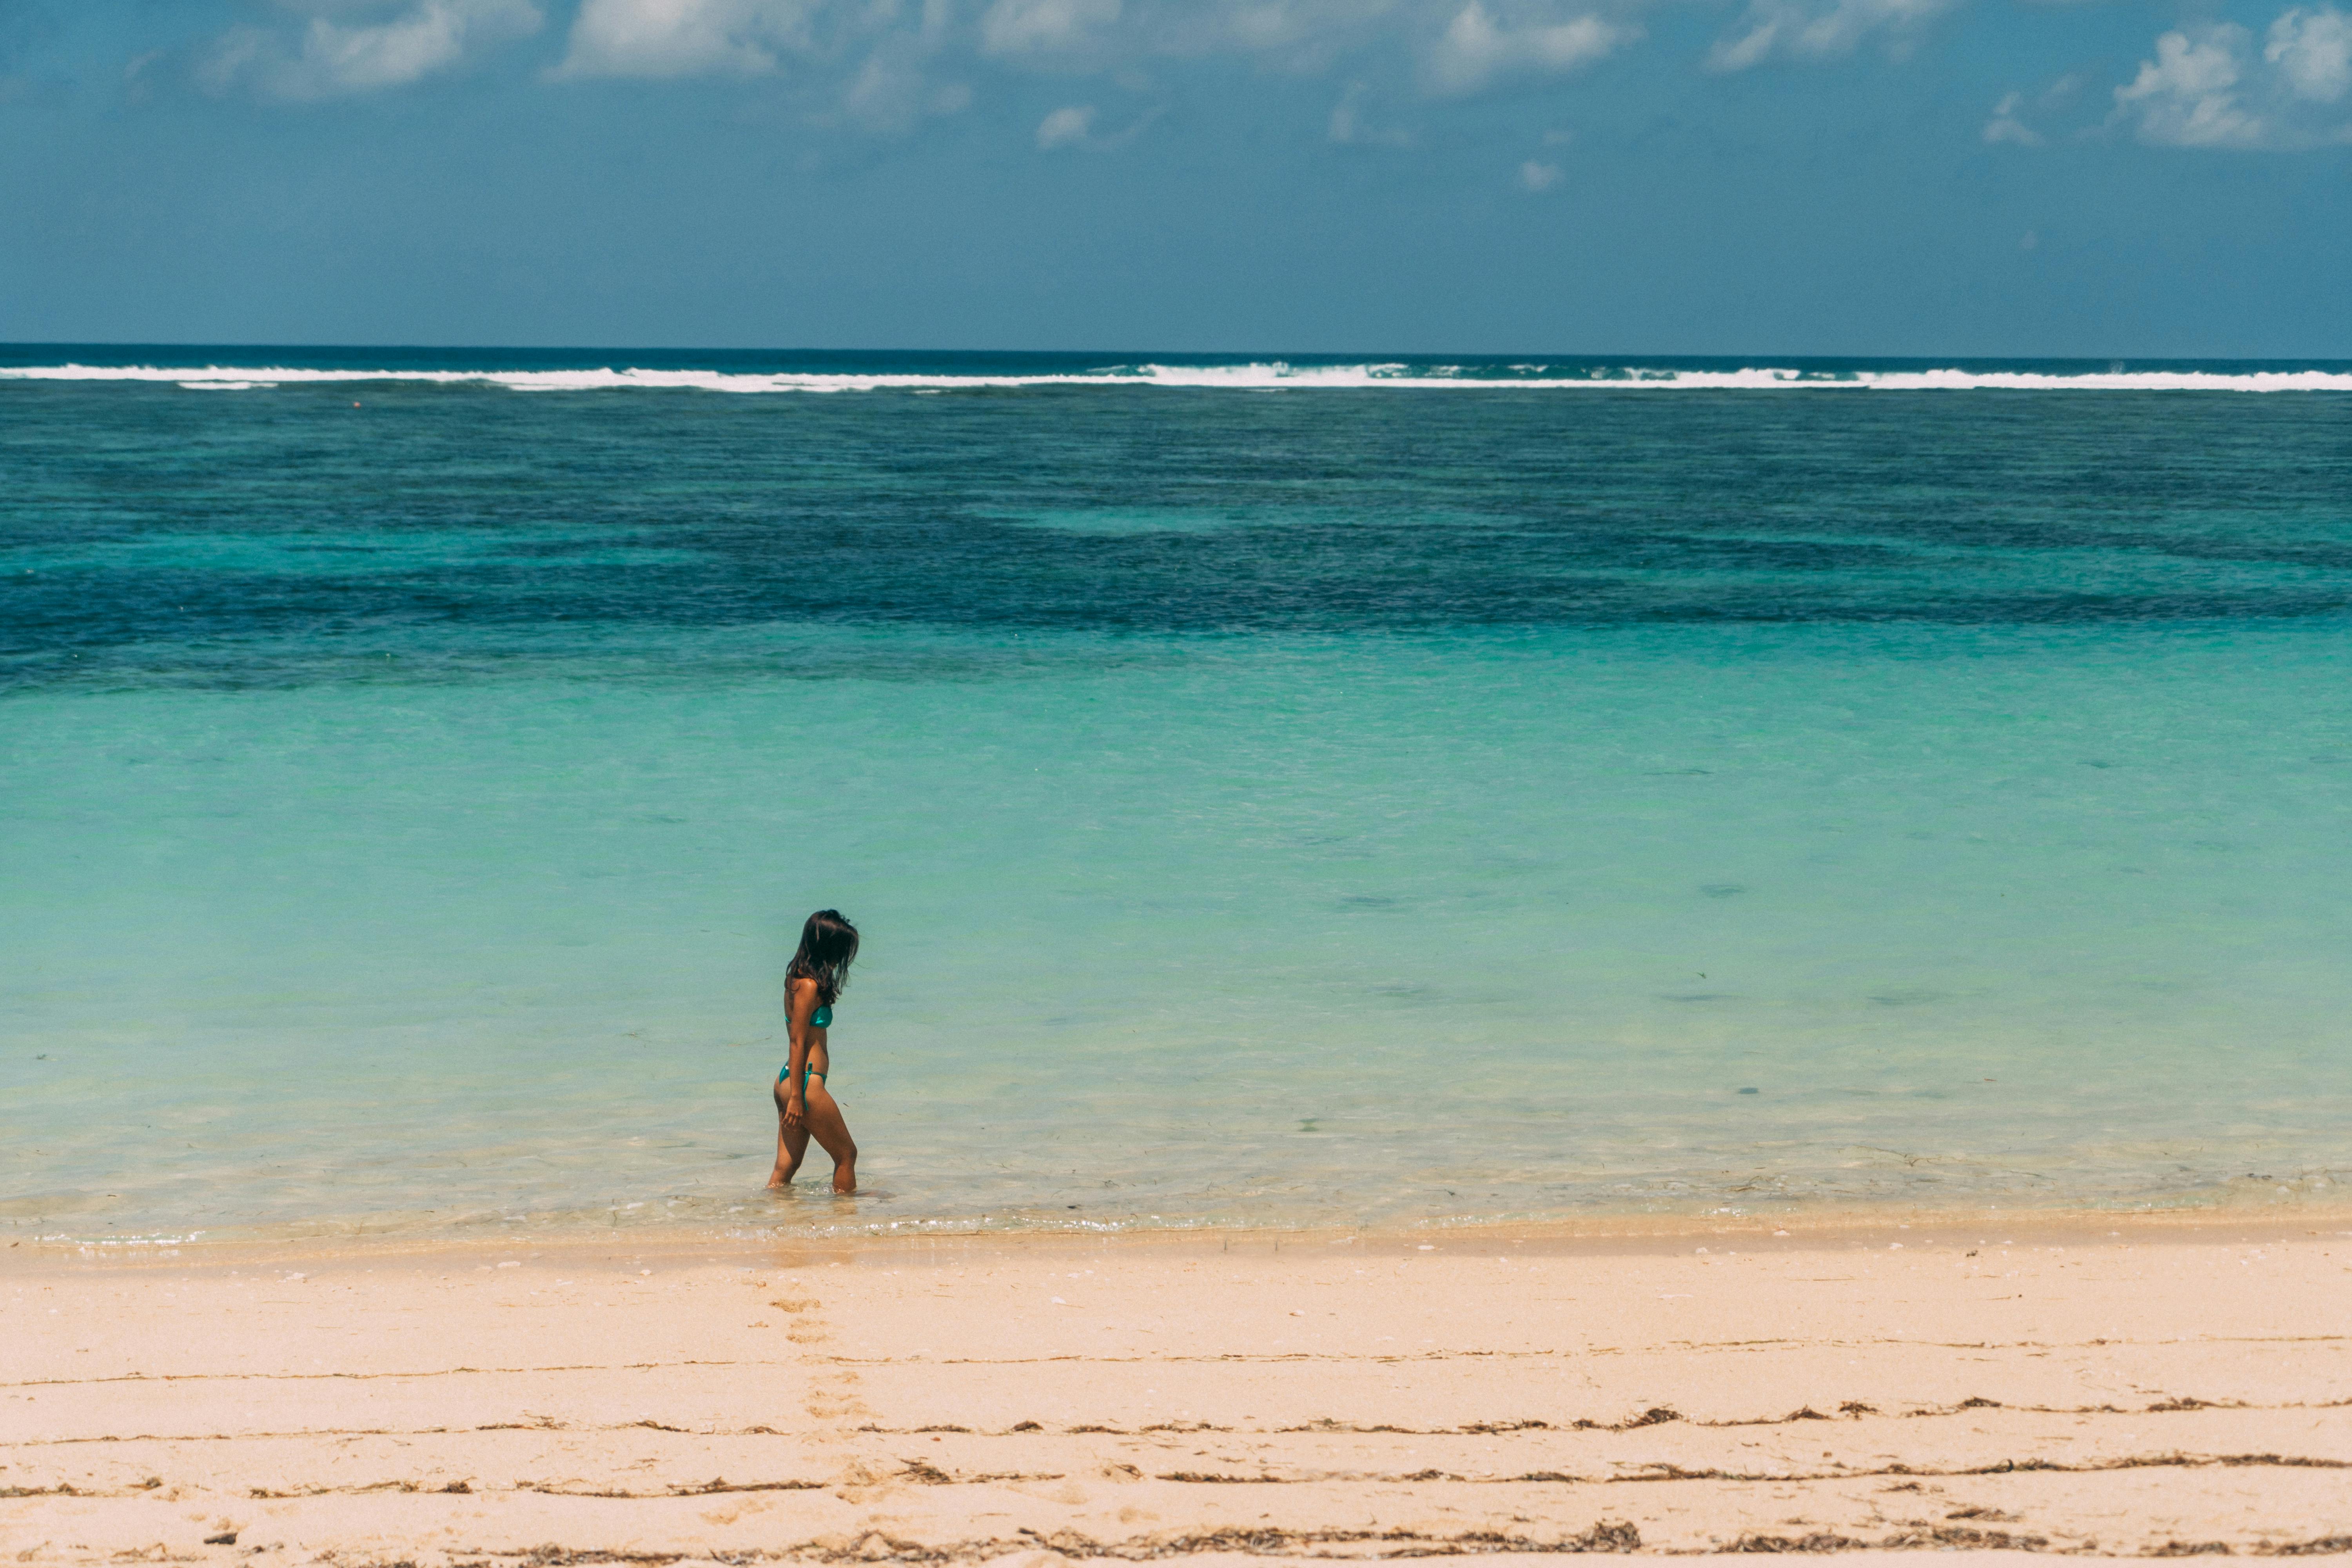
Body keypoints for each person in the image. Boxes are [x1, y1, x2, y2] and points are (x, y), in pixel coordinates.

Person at [767, 909, 861, 1194]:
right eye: (840, 950)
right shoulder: (808, 986)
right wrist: (797, 1097)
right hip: (805, 1086)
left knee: (786, 1168)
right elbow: (797, 1042)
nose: (841, 959)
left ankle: (771, 1218)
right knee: (846, 1156)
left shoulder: (796, 979)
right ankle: (846, 1222)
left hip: (790, 1080)